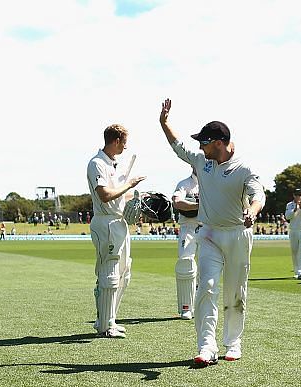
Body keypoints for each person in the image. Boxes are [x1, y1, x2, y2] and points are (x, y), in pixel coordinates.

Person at [159, 98, 265, 366]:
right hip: (207, 234)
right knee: (205, 288)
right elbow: (178, 147)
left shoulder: (244, 169)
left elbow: (258, 195)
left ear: (218, 143)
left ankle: (233, 342)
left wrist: (252, 212)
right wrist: (164, 123)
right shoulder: (201, 162)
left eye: (204, 143)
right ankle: (207, 346)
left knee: (235, 291)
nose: (200, 148)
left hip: (237, 235)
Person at [87, 124, 146, 338]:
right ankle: (104, 326)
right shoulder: (97, 163)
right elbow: (104, 195)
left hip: (119, 222)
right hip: (106, 223)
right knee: (109, 275)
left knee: (124, 273)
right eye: (124, 142)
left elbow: (119, 196)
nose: (126, 146)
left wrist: (140, 198)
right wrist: (129, 184)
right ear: (116, 140)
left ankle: (109, 319)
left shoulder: (113, 164)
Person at [172, 168, 201, 320]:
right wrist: (199, 205)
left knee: (208, 267)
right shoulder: (184, 184)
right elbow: (177, 203)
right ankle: (186, 307)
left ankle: (201, 305)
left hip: (208, 228)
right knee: (185, 263)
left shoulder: (212, 182)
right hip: (188, 228)